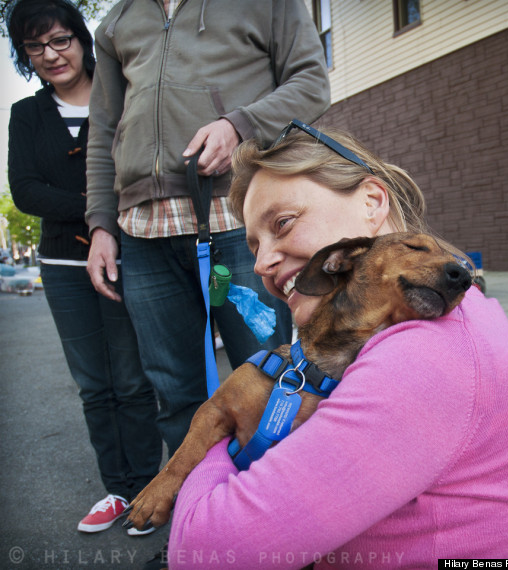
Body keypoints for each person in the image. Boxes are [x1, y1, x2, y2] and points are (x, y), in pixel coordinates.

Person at [166, 123, 508, 568]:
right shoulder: (443, 320)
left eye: (284, 223)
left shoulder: (422, 356)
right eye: (254, 244)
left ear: (372, 202)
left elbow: (201, 555)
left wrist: (221, 431)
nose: (261, 263)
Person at [84, 0, 330, 460]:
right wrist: (100, 223)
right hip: (142, 232)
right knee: (174, 393)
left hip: (239, 222)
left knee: (267, 379)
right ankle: (201, 516)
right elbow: (103, 129)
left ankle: (278, 514)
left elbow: (313, 84)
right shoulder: (116, 21)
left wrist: (240, 126)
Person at [5, 0, 162, 536]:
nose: (51, 55)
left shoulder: (120, 94)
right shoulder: (26, 114)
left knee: (134, 380)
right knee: (94, 385)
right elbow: (25, 191)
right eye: (34, 47)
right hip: (62, 264)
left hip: (128, 254)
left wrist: (107, 220)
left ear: (80, 37)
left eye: (60, 40)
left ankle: (147, 489)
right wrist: (96, 207)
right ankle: (116, 489)